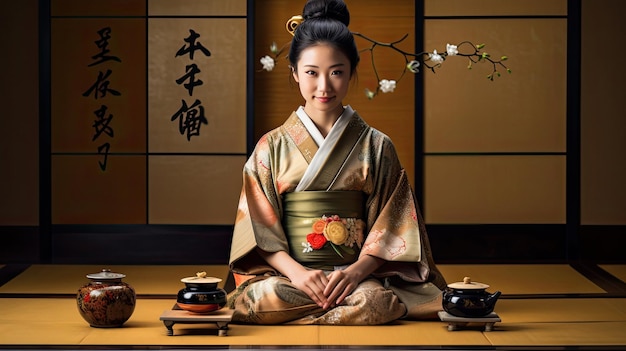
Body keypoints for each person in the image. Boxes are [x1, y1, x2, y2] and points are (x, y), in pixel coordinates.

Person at [227, 0, 447, 325]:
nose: (324, 86)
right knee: (268, 296)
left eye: (337, 73)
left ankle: (322, 305)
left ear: (351, 72)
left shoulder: (377, 145)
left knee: (376, 299)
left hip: (356, 279)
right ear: (295, 73)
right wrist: (299, 275)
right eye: (312, 73)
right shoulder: (270, 147)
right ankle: (331, 307)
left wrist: (356, 273)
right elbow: (257, 232)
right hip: (291, 277)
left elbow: (393, 226)